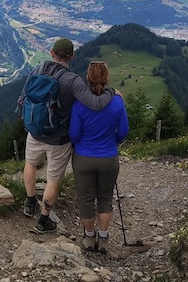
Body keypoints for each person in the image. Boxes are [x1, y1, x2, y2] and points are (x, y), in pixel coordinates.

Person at [18, 38, 118, 234]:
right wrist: (111, 92)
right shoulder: (72, 80)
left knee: (30, 164)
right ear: (71, 56)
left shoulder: (35, 71)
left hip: (35, 132)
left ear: (51, 52)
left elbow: (22, 100)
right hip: (59, 139)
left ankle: (30, 202)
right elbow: (95, 104)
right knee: (52, 179)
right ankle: (44, 220)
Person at [69, 61, 129, 253]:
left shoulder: (79, 104)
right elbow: (124, 131)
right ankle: (103, 238)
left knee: (86, 200)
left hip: (83, 158)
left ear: (87, 78)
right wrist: (112, 141)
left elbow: (74, 134)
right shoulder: (117, 102)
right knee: (105, 198)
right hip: (108, 157)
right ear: (106, 78)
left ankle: (88, 237)